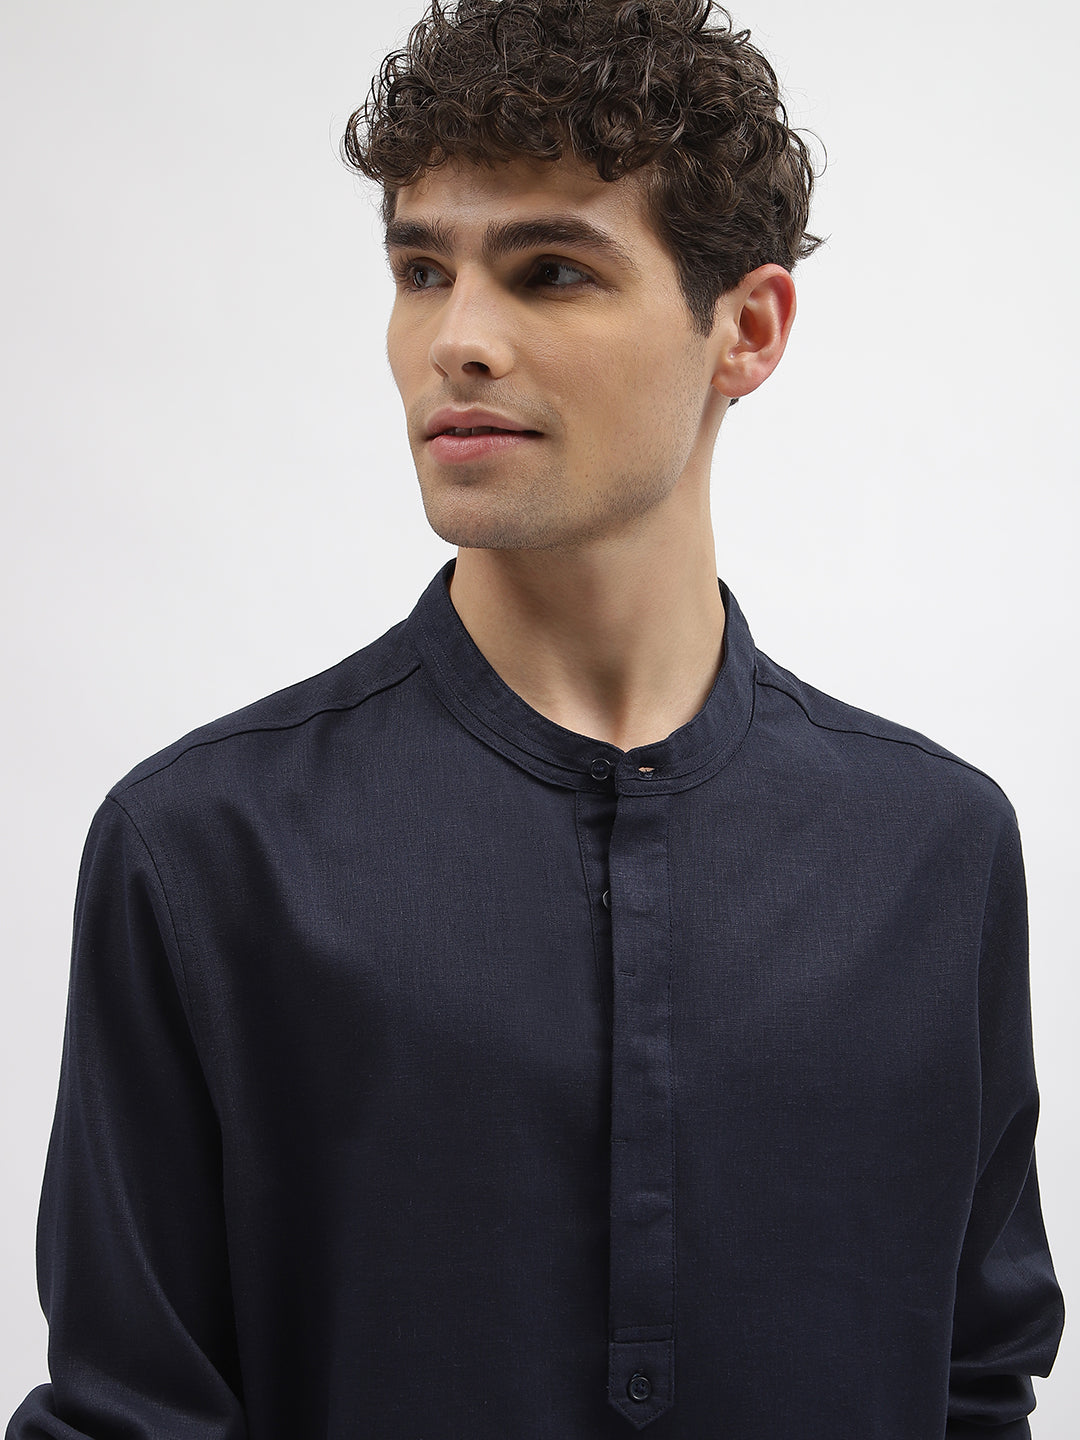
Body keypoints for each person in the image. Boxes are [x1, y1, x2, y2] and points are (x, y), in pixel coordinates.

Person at [6, 0, 1065, 1436]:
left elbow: (975, 1383)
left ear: (747, 329)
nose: (457, 341)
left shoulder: (934, 851)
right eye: (420, 270)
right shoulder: (205, 852)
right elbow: (129, 1412)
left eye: (550, 271)